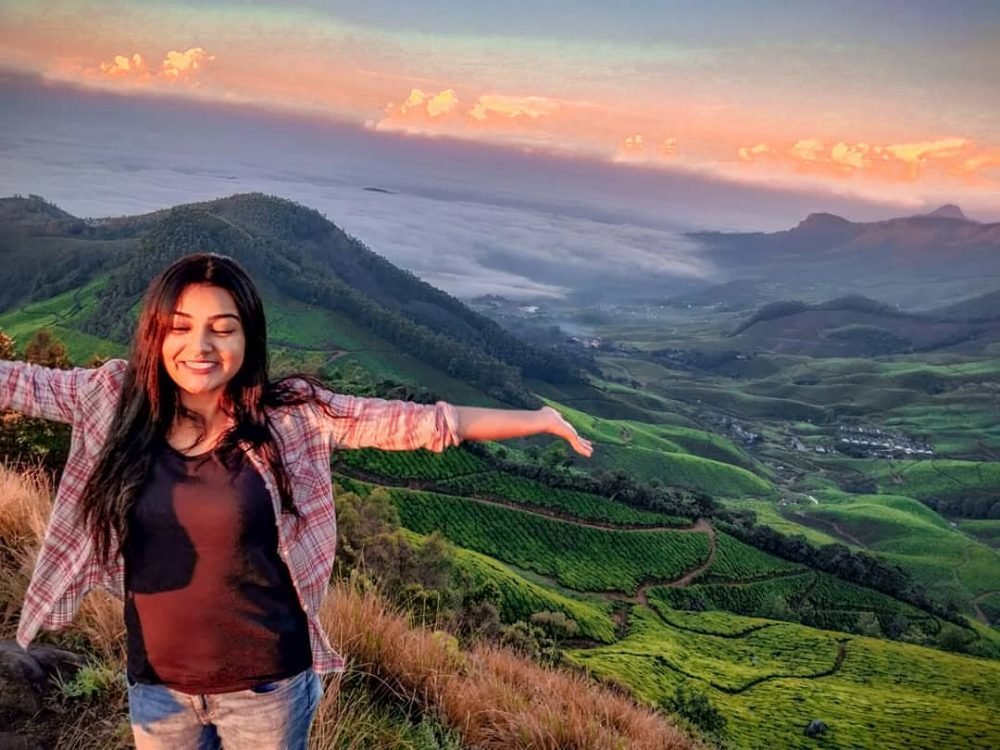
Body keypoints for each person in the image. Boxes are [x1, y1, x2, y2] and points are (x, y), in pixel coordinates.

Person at [0, 252, 592, 749]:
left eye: (222, 328)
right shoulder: (111, 401)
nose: (200, 346)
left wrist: (536, 419)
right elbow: (17, 382)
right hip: (156, 685)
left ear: (247, 336)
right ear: (157, 334)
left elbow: (421, 422)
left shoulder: (289, 418)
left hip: (268, 690)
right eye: (180, 327)